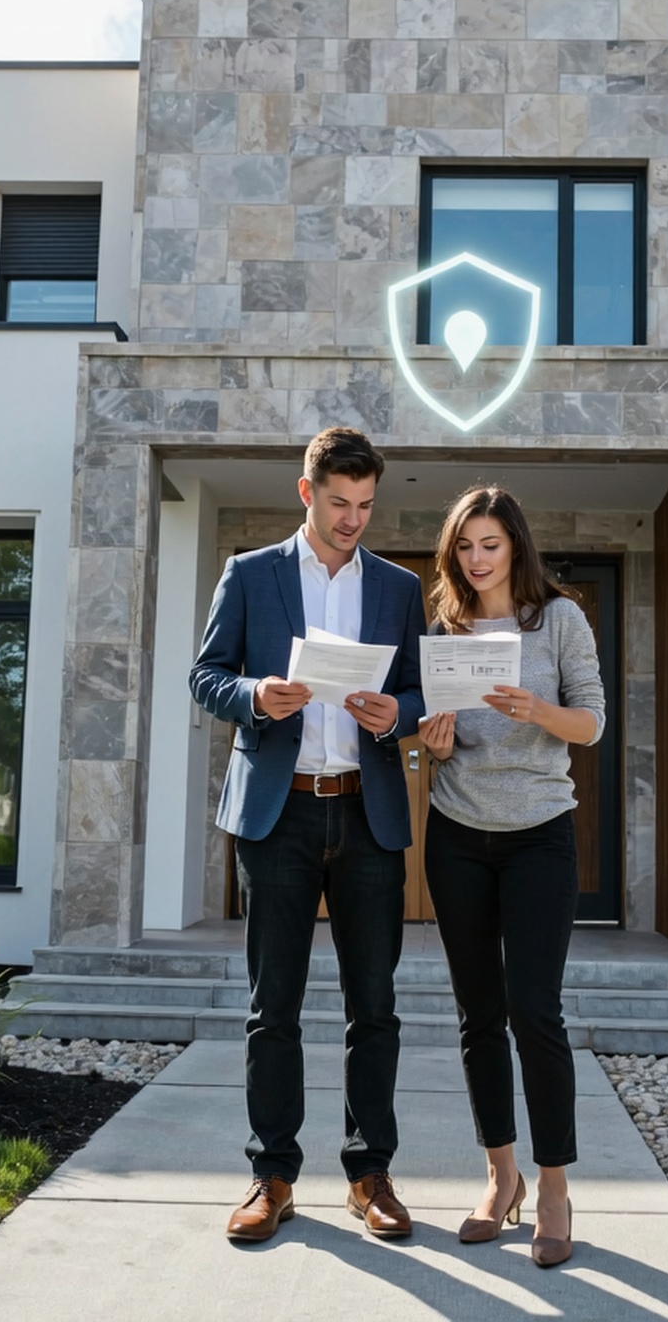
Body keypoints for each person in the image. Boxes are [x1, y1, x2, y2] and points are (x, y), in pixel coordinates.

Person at [190, 427, 426, 1244]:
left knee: (376, 1008)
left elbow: (420, 693)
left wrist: (400, 713)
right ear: (307, 493)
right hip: (277, 812)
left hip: (367, 813)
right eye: (339, 503)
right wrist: (257, 695)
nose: (354, 518)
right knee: (273, 1009)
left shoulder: (398, 587)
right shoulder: (250, 575)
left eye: (365, 505)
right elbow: (206, 676)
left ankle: (370, 1176)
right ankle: (273, 1177)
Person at [416, 486, 606, 1269]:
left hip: (538, 838)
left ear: (515, 547)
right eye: (465, 546)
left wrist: (539, 710)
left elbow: (590, 723)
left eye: (490, 543)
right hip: (458, 836)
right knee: (476, 1016)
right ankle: (501, 1179)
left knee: (536, 1011)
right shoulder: (445, 628)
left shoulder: (559, 620)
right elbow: (440, 745)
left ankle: (555, 1185)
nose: (477, 558)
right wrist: (433, 740)